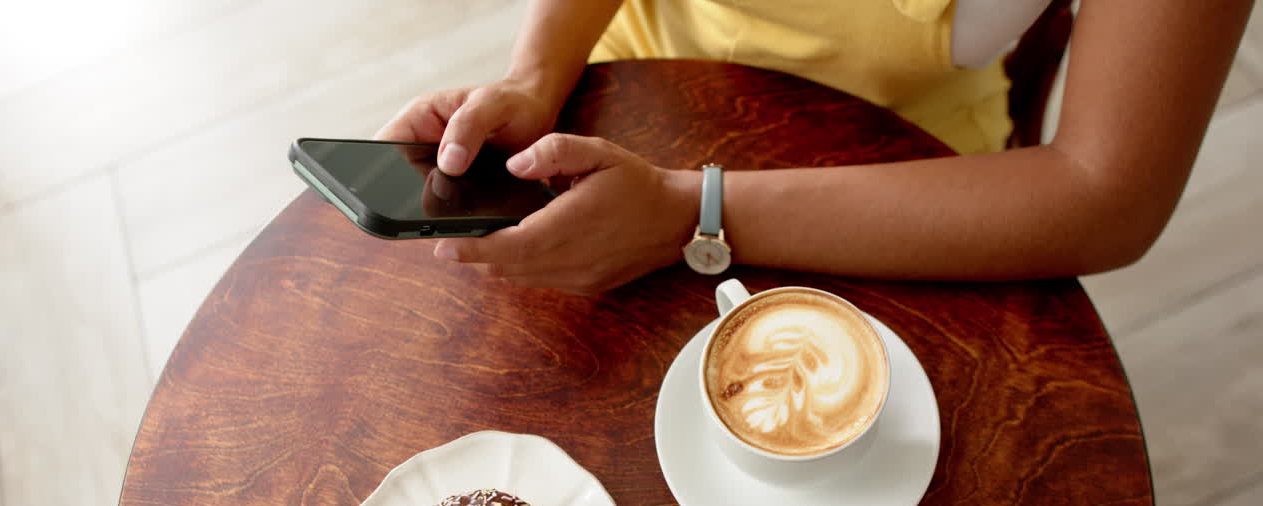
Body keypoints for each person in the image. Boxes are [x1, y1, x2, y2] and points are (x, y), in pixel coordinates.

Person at [376, 0, 1254, 295]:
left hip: (910, 189)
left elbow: (1106, 196)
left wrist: (695, 211)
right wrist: (536, 77)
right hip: (622, 98)